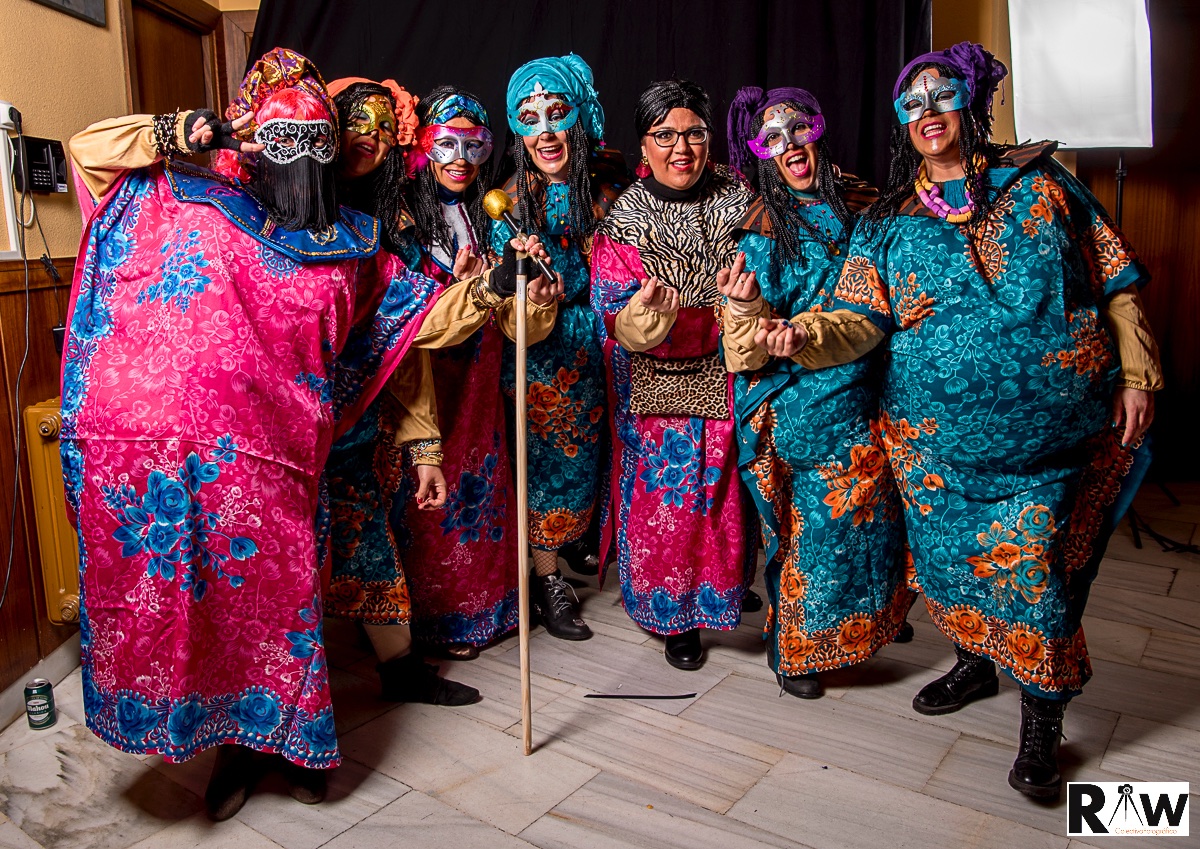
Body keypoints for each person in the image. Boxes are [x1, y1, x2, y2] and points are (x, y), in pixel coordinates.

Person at [61, 49, 544, 822]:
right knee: (198, 610)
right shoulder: (184, 193)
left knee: (281, 614)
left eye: (317, 139)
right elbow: (88, 149)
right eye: (281, 136)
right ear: (252, 139)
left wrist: (488, 287)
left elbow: (419, 322)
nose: (302, 155)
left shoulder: (351, 245)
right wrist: (181, 130)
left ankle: (289, 743)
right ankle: (231, 750)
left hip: (279, 465)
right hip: (174, 465)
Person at [796, 43, 1162, 798]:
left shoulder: (1042, 185)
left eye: (942, 94)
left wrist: (1135, 372)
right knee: (953, 565)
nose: (927, 111)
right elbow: (857, 322)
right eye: (912, 102)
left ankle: (1042, 720)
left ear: (971, 102)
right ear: (902, 121)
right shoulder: (888, 220)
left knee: (1035, 576)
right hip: (936, 449)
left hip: (1045, 443)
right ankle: (975, 663)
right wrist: (799, 335)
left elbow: (1116, 281)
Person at [322, 79, 562, 675]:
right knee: (423, 501)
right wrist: (466, 288)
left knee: (480, 488)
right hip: (421, 380)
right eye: (447, 144)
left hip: (479, 380)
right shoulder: (398, 217)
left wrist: (534, 295)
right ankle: (423, 623)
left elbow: (515, 323)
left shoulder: (490, 216)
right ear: (423, 144)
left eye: (476, 146)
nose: (461, 160)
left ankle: (487, 607)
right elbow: (407, 321)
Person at [719, 86, 914, 699]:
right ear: (760, 154)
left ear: (819, 129)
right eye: (771, 139)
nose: (790, 145)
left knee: (874, 523)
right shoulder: (761, 230)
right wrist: (749, 310)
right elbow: (742, 350)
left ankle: (863, 623)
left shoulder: (868, 206)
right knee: (815, 531)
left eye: (798, 128)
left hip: (872, 391)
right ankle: (797, 649)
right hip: (800, 399)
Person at [591, 79, 755, 670]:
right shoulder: (623, 220)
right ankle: (675, 613)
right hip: (656, 379)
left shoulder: (740, 200)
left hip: (730, 363)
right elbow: (612, 315)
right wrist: (649, 316)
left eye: (693, 134)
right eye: (664, 136)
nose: (680, 148)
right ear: (644, 144)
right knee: (672, 496)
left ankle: (720, 591)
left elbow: (763, 276)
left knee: (724, 492)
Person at [492, 54, 626, 640]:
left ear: (579, 117)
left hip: (604, 347)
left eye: (557, 113)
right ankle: (548, 582)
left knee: (594, 460)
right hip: (542, 354)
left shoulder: (609, 194)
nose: (545, 131)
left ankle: (577, 542)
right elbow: (501, 301)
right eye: (530, 119)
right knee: (544, 468)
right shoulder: (507, 205)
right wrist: (524, 280)